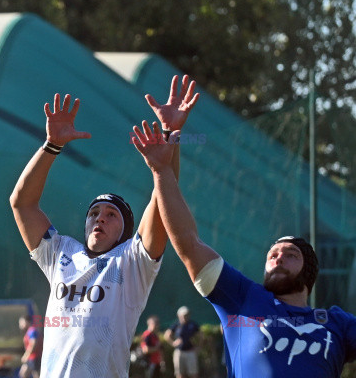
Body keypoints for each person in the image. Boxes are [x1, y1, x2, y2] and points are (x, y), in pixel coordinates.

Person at [132, 122, 356, 378]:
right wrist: (161, 170)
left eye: (291, 254)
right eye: (272, 255)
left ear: (310, 271)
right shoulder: (241, 298)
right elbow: (188, 241)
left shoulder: (337, 323)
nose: (279, 258)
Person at [10, 75, 199, 378]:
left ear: (125, 231)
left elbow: (165, 202)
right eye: (95, 212)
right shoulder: (61, 252)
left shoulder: (132, 262)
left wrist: (171, 133)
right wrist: (52, 146)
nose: (100, 217)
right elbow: (22, 204)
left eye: (112, 214)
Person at [164, 306, 199, 378]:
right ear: (179, 316)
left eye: (186, 315)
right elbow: (167, 335)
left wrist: (198, 346)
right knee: (179, 374)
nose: (185, 317)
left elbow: (201, 336)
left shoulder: (193, 325)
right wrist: (173, 343)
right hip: (179, 352)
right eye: (183, 315)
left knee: (193, 373)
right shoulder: (176, 325)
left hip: (190, 352)